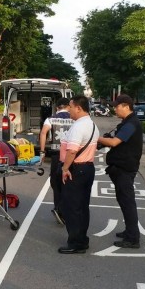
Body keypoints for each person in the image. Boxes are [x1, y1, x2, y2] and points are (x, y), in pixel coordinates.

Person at [97, 94, 143, 249]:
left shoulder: (131, 124)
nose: (114, 108)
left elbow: (114, 142)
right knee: (124, 201)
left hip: (125, 169)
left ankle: (132, 238)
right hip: (121, 168)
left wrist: (97, 138)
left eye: (116, 106)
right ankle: (129, 231)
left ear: (126, 106)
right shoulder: (126, 123)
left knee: (127, 202)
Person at [57, 95, 99, 254]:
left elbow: (72, 150)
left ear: (79, 108)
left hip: (76, 169)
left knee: (72, 207)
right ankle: (82, 239)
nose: (68, 110)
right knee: (82, 206)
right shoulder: (92, 125)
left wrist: (65, 168)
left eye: (70, 107)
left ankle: (75, 242)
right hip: (87, 169)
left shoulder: (78, 126)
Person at [38, 97, 73, 225]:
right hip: (70, 155)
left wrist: (42, 151)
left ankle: (58, 208)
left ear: (57, 107)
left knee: (55, 181)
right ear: (68, 107)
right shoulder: (74, 119)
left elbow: (43, 133)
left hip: (56, 155)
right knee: (68, 182)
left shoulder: (51, 119)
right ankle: (65, 210)